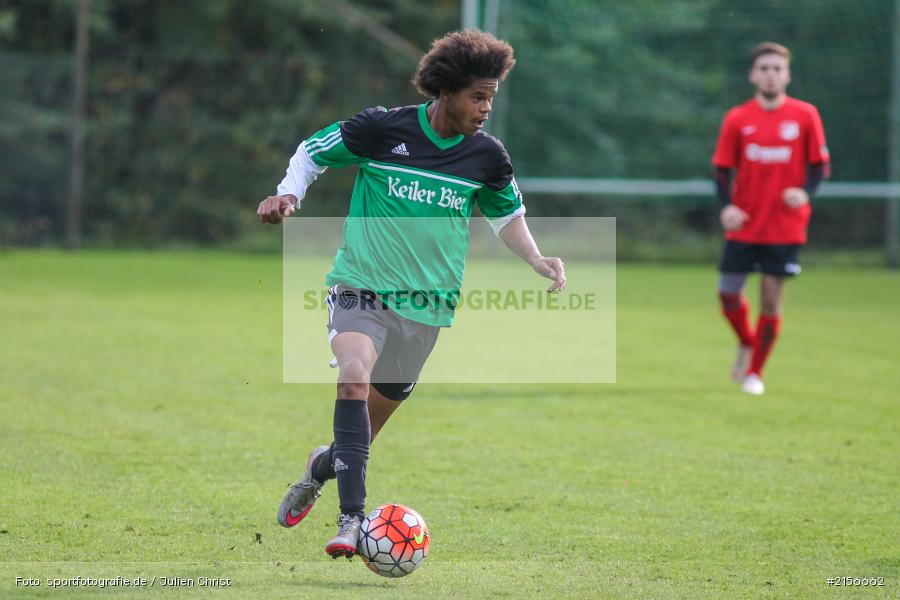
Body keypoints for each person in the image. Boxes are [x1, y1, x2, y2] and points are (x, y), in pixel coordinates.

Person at [257, 29, 566, 558]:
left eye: (492, 96)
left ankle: (320, 467)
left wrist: (536, 258)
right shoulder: (382, 128)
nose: (487, 107)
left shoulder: (487, 156)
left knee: (361, 438)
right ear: (446, 91)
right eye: (478, 96)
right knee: (353, 379)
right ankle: (352, 521)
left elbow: (507, 214)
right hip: (361, 283)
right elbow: (314, 151)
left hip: (427, 308)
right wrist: (289, 192)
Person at [712, 41, 830, 395]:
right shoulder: (737, 117)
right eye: (763, 68)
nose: (770, 74)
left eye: (777, 68)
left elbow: (820, 165)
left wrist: (805, 192)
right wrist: (727, 207)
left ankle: (755, 375)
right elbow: (721, 170)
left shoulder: (805, 114)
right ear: (753, 74)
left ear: (787, 74)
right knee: (728, 293)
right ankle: (748, 342)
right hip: (745, 224)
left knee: (769, 299)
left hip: (785, 226)